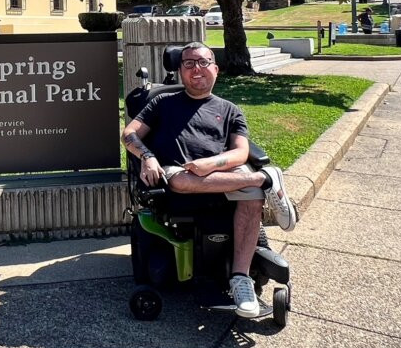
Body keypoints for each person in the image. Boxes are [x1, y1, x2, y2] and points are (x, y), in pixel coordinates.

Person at [121, 42, 297, 318]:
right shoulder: (161, 103)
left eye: (203, 62)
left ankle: (240, 279)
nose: (196, 69)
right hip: (179, 177)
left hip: (219, 174)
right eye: (188, 64)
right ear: (180, 71)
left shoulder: (230, 109)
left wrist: (208, 165)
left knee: (249, 196)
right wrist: (147, 157)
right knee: (180, 180)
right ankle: (265, 180)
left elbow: (241, 151)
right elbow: (129, 134)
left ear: (215, 68)